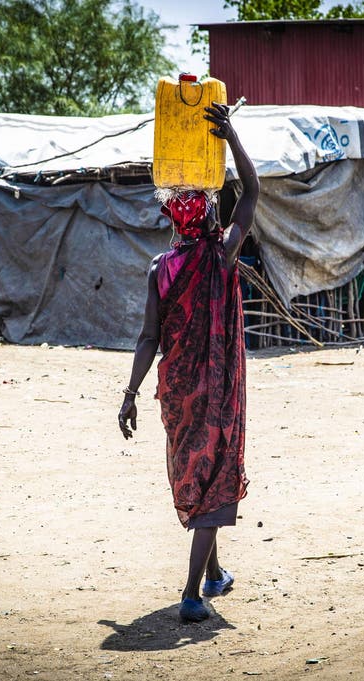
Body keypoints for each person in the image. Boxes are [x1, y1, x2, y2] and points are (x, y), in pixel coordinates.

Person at [118, 102, 259, 623]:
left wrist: (130, 395)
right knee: (213, 480)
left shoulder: (160, 267)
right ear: (209, 216)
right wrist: (232, 136)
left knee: (199, 477)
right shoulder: (221, 254)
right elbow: (252, 192)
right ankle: (191, 592)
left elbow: (147, 337)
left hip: (177, 395)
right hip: (216, 390)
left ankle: (215, 573)